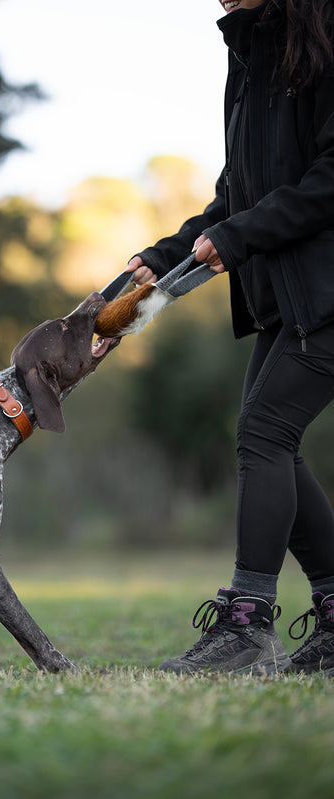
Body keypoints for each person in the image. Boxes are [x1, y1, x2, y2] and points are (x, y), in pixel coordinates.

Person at [127, 0, 334, 675]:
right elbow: (236, 196)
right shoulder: (250, 56)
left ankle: (248, 626)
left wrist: (238, 235)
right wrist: (163, 256)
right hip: (289, 298)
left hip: (326, 288)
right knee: (269, 439)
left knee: (263, 432)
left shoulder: (323, 33)